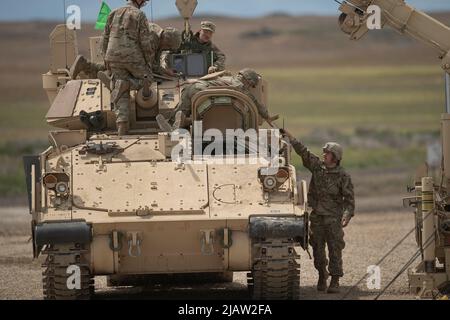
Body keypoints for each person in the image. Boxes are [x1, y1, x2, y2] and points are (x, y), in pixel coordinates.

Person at [282, 129, 355, 294]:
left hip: (334, 219)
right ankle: (322, 275)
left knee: (335, 249)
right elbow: (304, 153)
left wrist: (346, 216)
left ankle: (335, 280)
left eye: (328, 153)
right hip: (317, 218)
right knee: (317, 251)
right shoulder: (318, 168)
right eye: (324, 152)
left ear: (335, 157)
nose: (324, 155)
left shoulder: (343, 176)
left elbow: (350, 201)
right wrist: (292, 139)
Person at [100, 0, 154, 136]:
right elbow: (145, 42)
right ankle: (127, 84)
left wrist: (106, 58)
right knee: (148, 79)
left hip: (112, 56)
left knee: (120, 92)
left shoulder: (112, 13)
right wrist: (149, 62)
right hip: (132, 56)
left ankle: (122, 126)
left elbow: (104, 39)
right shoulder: (139, 14)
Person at [70, 26, 181, 81]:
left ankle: (84, 65)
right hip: (119, 50)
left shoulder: (157, 33)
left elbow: (154, 58)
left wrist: (165, 71)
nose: (166, 49)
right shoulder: (151, 39)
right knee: (138, 78)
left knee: (113, 68)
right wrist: (165, 72)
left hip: (119, 47)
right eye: (168, 46)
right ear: (166, 40)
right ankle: (86, 66)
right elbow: (150, 65)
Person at [176, 68, 270, 121]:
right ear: (248, 80)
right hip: (201, 91)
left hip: (191, 87)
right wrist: (266, 115)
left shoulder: (227, 77)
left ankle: (174, 125)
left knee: (180, 113)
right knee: (209, 115)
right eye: (251, 85)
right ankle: (186, 122)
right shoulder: (238, 84)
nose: (249, 87)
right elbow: (252, 100)